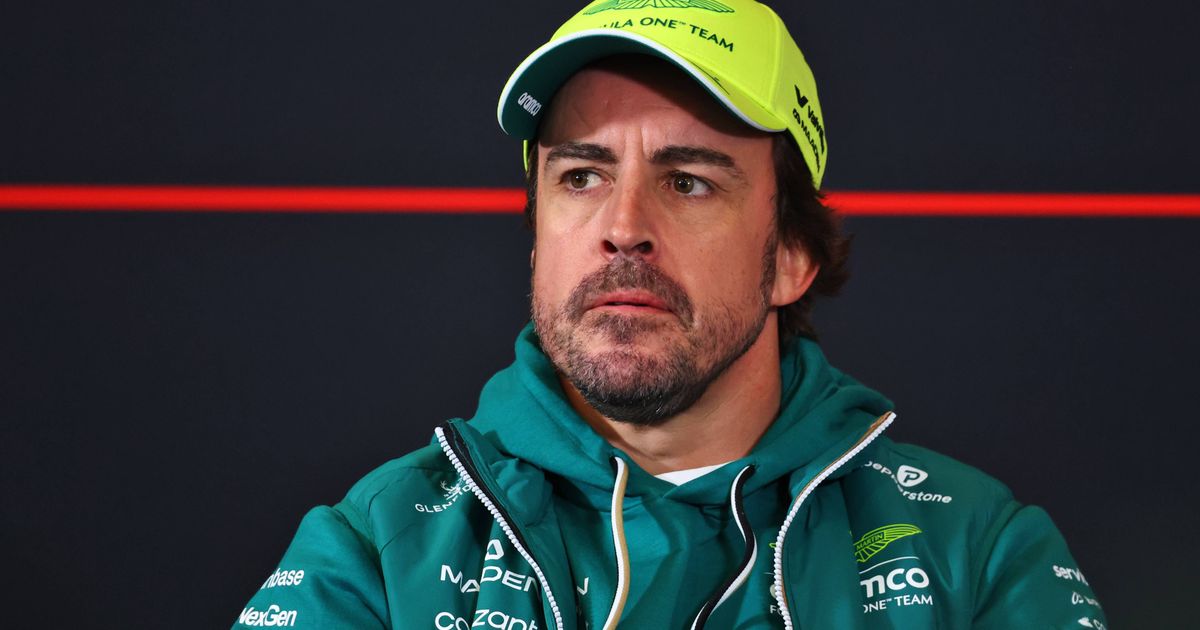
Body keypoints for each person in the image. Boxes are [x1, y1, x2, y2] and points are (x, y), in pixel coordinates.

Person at [233, 2, 1105, 628]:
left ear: (791, 257)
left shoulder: (976, 552)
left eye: (688, 182)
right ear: (535, 238)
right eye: (581, 177)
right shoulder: (376, 554)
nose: (622, 227)